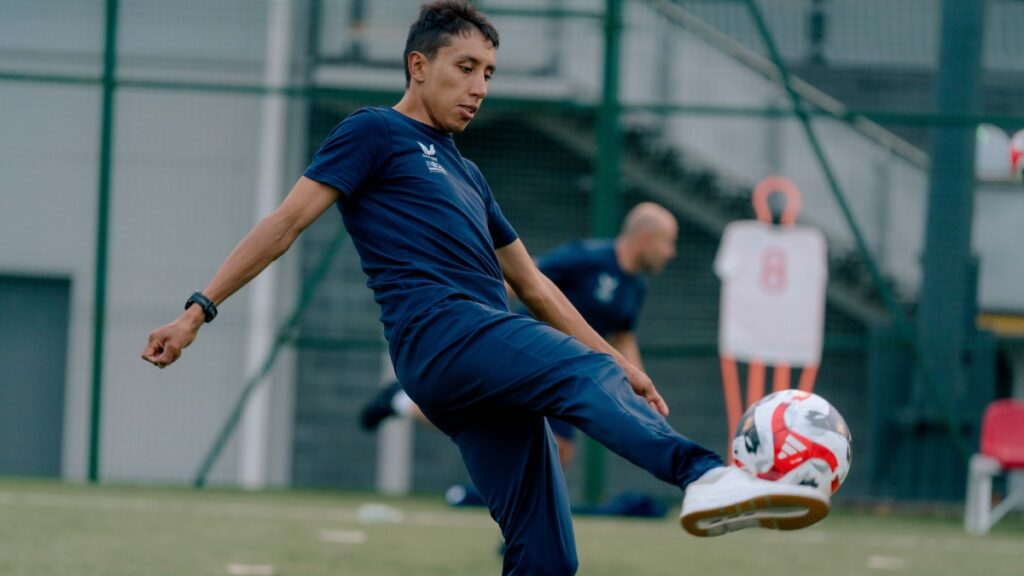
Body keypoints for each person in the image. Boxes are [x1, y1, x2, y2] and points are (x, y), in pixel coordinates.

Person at [141, 3, 829, 574]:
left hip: (472, 369)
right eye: (465, 68)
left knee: (547, 557)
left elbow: (533, 287)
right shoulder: (373, 133)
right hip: (442, 336)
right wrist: (199, 310)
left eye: (489, 74)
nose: (479, 87)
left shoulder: (469, 175)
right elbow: (285, 223)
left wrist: (616, 360)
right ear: (419, 65)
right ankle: (706, 476)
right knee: (577, 374)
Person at [360, 201, 679, 475]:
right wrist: (481, 316)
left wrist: (641, 391)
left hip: (570, 373)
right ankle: (400, 402)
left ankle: (522, 532)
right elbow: (527, 278)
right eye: (668, 243)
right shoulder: (586, 258)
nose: (671, 253)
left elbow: (623, 337)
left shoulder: (635, 287)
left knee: (559, 450)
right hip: (528, 355)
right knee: (481, 422)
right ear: (645, 239)